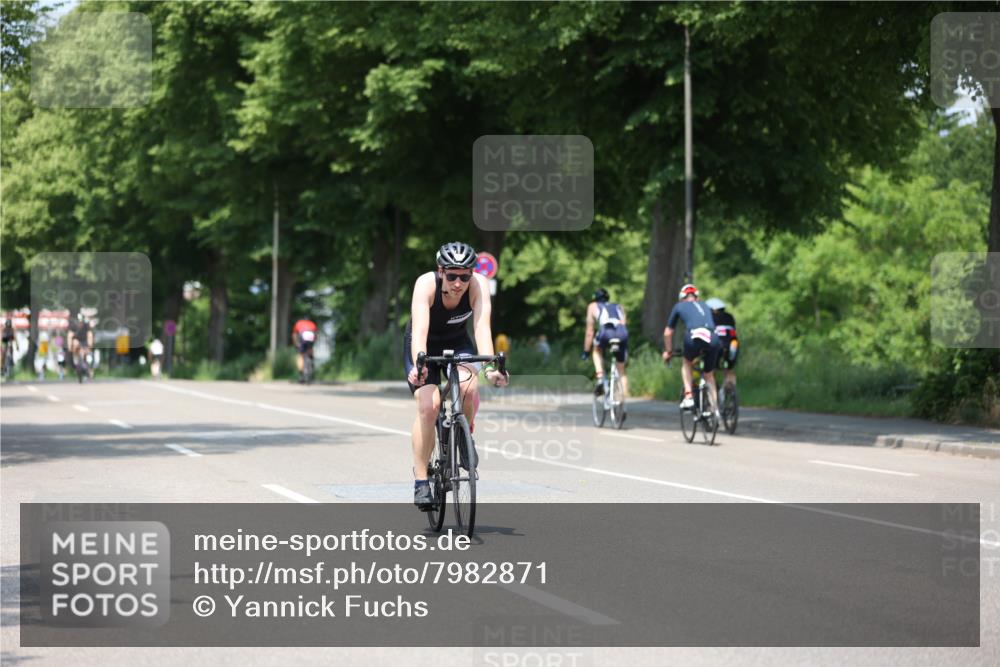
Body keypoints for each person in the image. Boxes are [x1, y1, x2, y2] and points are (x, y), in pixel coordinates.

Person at [406, 241, 508, 510]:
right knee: (429, 408)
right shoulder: (425, 284)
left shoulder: (479, 285)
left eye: (465, 276)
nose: (458, 283)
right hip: (423, 344)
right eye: (452, 275)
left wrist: (490, 369)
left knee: (469, 388)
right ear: (441, 272)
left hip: (457, 341)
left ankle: (464, 433)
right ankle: (420, 481)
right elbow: (419, 332)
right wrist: (420, 364)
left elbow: (482, 329)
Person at [662, 284, 722, 412]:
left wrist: (668, 352)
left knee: (686, 362)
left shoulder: (679, 306)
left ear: (682, 298)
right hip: (713, 337)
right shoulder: (705, 305)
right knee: (709, 375)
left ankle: (688, 396)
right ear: (697, 297)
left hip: (695, 335)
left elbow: (668, 332)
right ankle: (714, 410)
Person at [582, 288, 629, 400]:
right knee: (621, 370)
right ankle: (622, 401)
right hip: (622, 333)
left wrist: (586, 351)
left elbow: (590, 332)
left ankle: (600, 377)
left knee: (596, 350)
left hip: (606, 332)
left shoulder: (592, 306)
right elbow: (624, 323)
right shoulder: (619, 306)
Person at [706, 297, 739, 390]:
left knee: (711, 369)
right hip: (732, 346)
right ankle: (730, 390)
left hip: (716, 346)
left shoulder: (709, 318)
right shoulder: (729, 317)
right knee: (729, 368)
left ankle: (714, 391)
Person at [67, 314, 94, 380]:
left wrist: (90, 344)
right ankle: (76, 363)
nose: (80, 323)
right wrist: (69, 346)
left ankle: (87, 369)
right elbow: (70, 335)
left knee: (86, 355)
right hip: (76, 342)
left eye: (81, 321)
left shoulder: (86, 325)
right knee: (75, 343)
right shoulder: (73, 325)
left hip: (84, 342)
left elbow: (89, 334)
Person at [291, 317, 318, 383]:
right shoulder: (312, 324)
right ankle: (311, 360)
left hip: (302, 335)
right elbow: (316, 335)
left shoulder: (298, 323)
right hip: (311, 335)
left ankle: (301, 375)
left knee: (301, 356)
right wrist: (313, 344)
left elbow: (294, 335)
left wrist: (296, 344)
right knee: (310, 349)